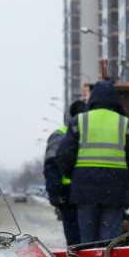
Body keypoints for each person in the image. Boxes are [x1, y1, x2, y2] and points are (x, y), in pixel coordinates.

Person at [56, 80, 129, 244]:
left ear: (92, 99)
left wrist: (73, 176)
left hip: (84, 190)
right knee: (109, 241)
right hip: (115, 191)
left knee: (87, 242)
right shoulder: (126, 125)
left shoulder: (79, 122)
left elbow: (64, 155)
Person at [43, 99, 87, 246]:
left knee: (77, 240)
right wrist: (56, 193)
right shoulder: (62, 135)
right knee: (81, 240)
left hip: (72, 194)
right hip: (72, 194)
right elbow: (51, 166)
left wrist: (55, 193)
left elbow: (51, 166)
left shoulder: (60, 135)